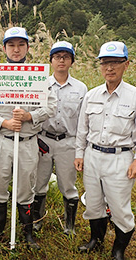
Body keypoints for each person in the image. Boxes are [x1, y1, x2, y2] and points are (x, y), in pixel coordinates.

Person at [0, 27, 57, 247]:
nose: (16, 49)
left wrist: (30, 116)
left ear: (27, 48)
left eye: (21, 45)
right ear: (4, 48)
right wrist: (5, 122)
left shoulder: (38, 76)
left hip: (28, 142)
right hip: (0, 141)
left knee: (25, 188)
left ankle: (27, 234)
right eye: (11, 45)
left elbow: (51, 106)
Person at [74, 41, 136, 260]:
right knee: (94, 203)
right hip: (92, 156)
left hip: (120, 158)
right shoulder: (91, 95)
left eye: (115, 63)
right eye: (105, 62)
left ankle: (118, 251)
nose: (110, 68)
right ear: (100, 65)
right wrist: (79, 154)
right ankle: (95, 241)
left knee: (119, 207)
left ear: (126, 65)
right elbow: (82, 129)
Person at [33, 41, 88, 235]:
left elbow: (83, 122)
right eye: (57, 57)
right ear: (51, 61)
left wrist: (81, 149)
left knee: (68, 185)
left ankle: (69, 226)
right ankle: (36, 221)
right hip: (43, 141)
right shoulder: (41, 85)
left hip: (68, 142)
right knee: (39, 183)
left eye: (66, 57)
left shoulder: (81, 89)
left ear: (72, 61)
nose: (61, 61)